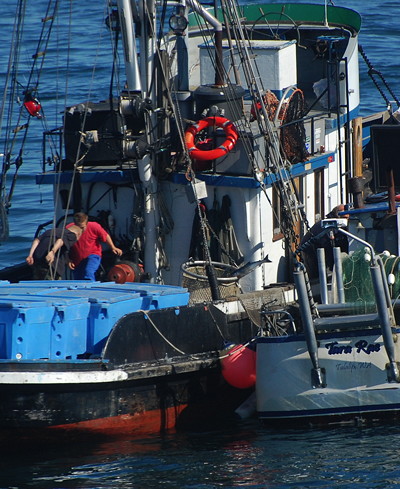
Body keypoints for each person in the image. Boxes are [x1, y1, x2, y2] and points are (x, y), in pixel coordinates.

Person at [68, 212, 122, 281]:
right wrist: (68, 260)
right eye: (78, 227)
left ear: (86, 223)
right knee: (78, 279)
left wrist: (113, 247)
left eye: (82, 227)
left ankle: (91, 288)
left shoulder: (94, 226)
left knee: (88, 271)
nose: (80, 229)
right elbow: (65, 246)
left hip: (93, 255)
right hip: (77, 259)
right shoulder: (69, 229)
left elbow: (105, 235)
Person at [299, 205, 349, 279]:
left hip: (320, 246)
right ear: (338, 215)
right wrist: (333, 265)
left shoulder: (338, 226)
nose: (347, 220)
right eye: (345, 218)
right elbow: (329, 246)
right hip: (310, 248)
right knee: (316, 274)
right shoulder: (329, 225)